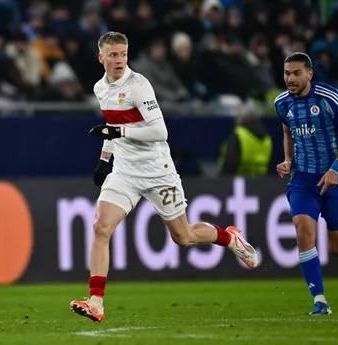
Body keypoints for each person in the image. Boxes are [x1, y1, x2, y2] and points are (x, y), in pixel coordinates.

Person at [70, 31, 259, 322]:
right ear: (101, 57)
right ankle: (96, 301)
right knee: (100, 228)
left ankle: (228, 237)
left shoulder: (139, 86)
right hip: (124, 172)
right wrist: (104, 161)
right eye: (113, 55)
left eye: (123, 53)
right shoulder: (100, 89)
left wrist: (118, 132)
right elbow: (112, 125)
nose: (119, 60)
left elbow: (160, 132)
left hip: (157, 172)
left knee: (183, 237)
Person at [274, 52, 338, 316]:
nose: (290, 78)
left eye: (296, 73)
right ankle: (319, 300)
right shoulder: (282, 103)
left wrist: (335, 169)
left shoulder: (328, 97)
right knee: (303, 231)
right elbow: (287, 131)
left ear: (309, 73)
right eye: (287, 73)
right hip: (302, 179)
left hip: (333, 176)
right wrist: (288, 160)